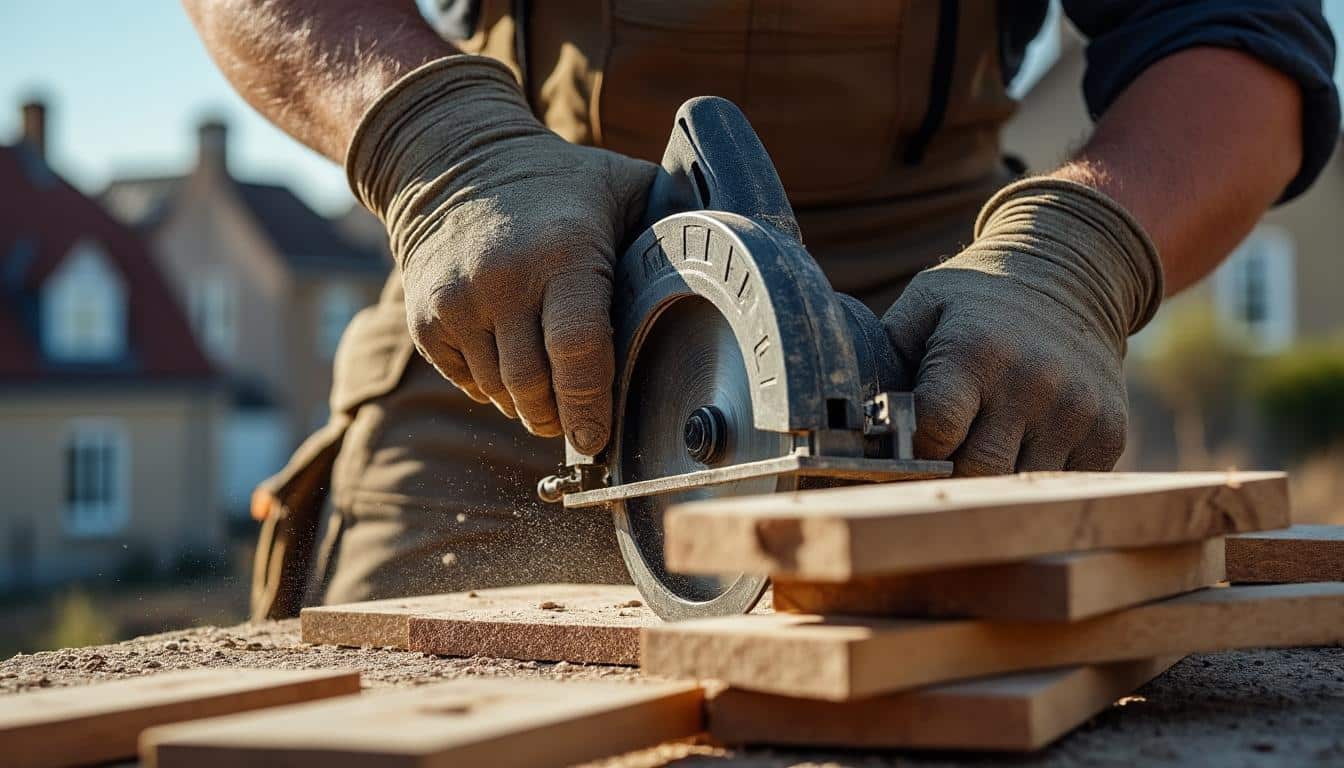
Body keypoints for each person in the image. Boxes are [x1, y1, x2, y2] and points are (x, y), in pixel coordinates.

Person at [181, 1, 1338, 618]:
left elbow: (1240, 31)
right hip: (520, 276)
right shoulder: (484, 202)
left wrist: (1082, 255)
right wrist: (433, 139)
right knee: (391, 702)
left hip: (943, 341)